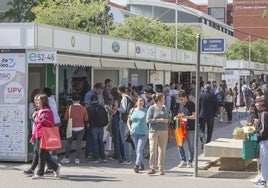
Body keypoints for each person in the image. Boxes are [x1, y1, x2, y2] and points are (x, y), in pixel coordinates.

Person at [29, 94, 61, 179]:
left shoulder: (48, 111)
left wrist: (44, 121)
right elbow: (36, 125)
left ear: (43, 101)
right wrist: (33, 137)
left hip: (44, 134)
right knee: (41, 153)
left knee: (41, 153)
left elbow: (51, 124)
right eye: (36, 100)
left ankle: (40, 173)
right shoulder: (37, 111)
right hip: (38, 134)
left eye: (39, 100)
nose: (37, 101)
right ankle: (56, 167)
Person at [61, 94, 89, 164]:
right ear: (79, 101)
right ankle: (77, 159)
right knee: (79, 143)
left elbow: (66, 118)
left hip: (71, 128)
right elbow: (86, 119)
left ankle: (67, 158)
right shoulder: (83, 108)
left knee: (69, 143)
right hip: (81, 127)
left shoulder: (70, 108)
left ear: (72, 100)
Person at [146, 93, 169, 175]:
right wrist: (159, 120)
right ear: (159, 100)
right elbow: (148, 120)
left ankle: (161, 168)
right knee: (152, 149)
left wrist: (166, 120)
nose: (165, 100)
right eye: (163, 99)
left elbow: (167, 118)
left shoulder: (164, 108)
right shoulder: (151, 108)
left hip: (164, 130)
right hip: (153, 131)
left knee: (162, 150)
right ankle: (152, 167)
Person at [127, 97, 148, 173]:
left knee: (139, 149)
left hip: (143, 133)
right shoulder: (132, 110)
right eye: (139, 101)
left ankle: (137, 165)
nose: (141, 102)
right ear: (136, 102)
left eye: (142, 101)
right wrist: (130, 129)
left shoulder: (146, 111)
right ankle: (141, 164)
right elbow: (128, 121)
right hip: (134, 133)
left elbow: (149, 122)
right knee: (138, 150)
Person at [250, 98, 268, 187]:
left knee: (264, 162)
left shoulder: (264, 114)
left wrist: (257, 134)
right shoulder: (263, 114)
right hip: (264, 140)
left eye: (257, 104)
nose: (256, 106)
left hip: (265, 140)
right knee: (263, 161)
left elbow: (264, 130)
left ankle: (263, 181)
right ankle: (262, 178)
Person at [177, 91, 196, 168]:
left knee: (190, 145)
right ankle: (183, 160)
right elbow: (179, 114)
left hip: (190, 127)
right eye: (179, 99)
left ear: (185, 97)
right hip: (182, 127)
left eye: (182, 99)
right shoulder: (181, 105)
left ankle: (190, 161)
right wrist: (178, 117)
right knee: (179, 144)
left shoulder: (191, 104)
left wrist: (185, 117)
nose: (181, 101)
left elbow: (194, 116)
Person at [87, 94, 108, 163]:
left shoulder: (90, 108)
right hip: (101, 126)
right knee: (101, 142)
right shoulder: (102, 107)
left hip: (93, 127)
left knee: (94, 142)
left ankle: (95, 158)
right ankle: (103, 157)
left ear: (91, 100)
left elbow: (88, 118)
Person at [117, 85, 133, 165]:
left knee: (125, 140)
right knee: (128, 139)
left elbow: (123, 110)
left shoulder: (124, 98)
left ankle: (127, 158)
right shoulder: (129, 97)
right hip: (129, 120)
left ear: (119, 90)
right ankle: (128, 157)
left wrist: (116, 108)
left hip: (124, 120)